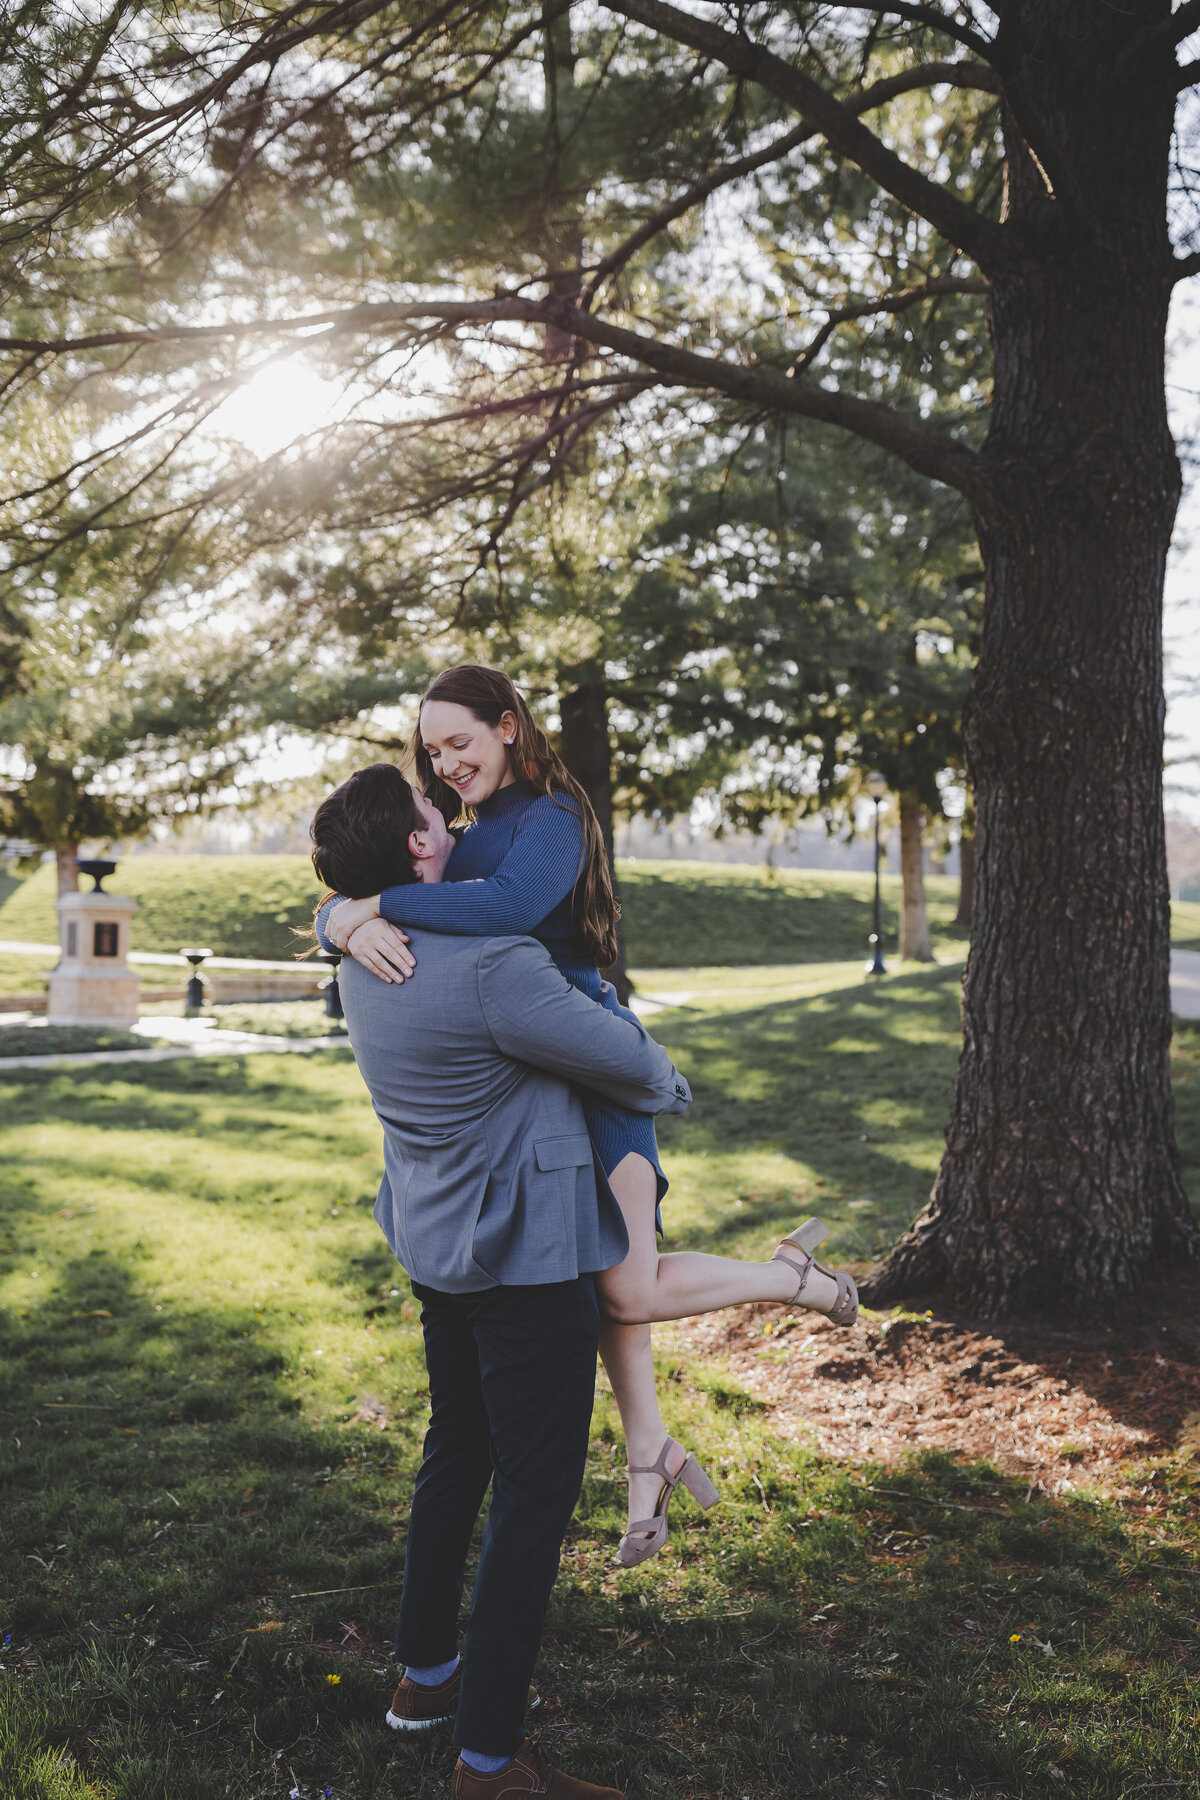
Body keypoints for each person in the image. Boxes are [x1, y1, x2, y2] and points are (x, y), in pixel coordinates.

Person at [317, 664, 857, 1563]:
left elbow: (509, 907)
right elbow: (386, 863)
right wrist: (340, 914)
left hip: (586, 1047)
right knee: (604, 1262)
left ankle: (794, 1278)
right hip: (532, 1067)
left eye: (463, 742)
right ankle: (647, 1451)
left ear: (510, 728)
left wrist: (373, 905)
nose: (447, 763)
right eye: (433, 748)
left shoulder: (551, 820)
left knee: (625, 1284)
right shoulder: (461, 830)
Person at [310, 762, 694, 1798]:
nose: (450, 815)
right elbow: (630, 1066)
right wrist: (668, 1078)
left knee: (456, 1451)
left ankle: (425, 1677)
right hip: (525, 1264)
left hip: (437, 1249)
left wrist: (335, 917)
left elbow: (348, 917)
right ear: (420, 853)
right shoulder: (495, 968)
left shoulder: (364, 957)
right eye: (434, 813)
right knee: (533, 1500)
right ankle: (489, 1763)